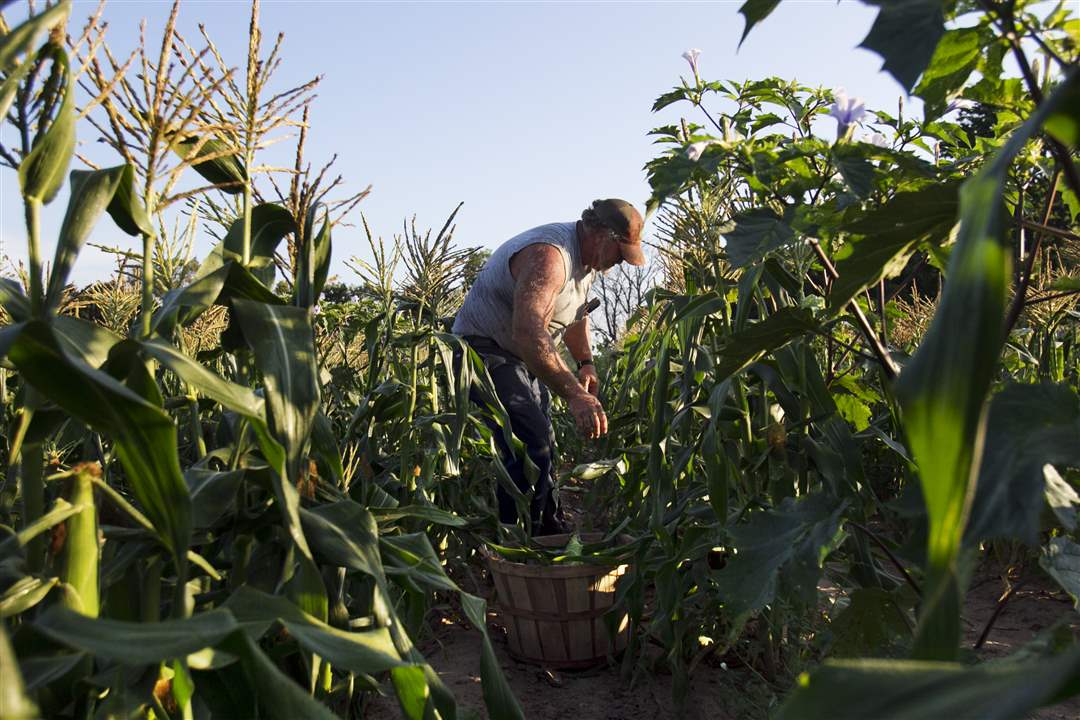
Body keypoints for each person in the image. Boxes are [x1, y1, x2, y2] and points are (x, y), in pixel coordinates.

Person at [453, 198, 646, 535]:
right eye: (620, 253)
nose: (618, 263)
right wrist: (575, 395)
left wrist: (585, 363)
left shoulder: (586, 265)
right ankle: (519, 535)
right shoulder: (550, 256)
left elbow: (574, 317)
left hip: (522, 354)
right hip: (484, 349)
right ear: (602, 236)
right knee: (528, 438)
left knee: (545, 440)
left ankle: (547, 525)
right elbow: (527, 330)